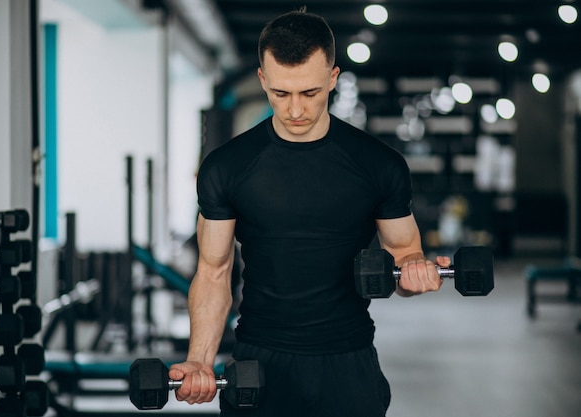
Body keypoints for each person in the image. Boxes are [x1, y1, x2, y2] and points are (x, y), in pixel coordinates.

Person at [169, 9, 451, 417]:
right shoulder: (227, 167)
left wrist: (417, 273)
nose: (296, 109)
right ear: (263, 78)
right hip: (259, 360)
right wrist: (199, 360)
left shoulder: (378, 165)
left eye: (311, 93)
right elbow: (213, 272)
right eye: (281, 93)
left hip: (348, 360)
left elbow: (404, 258)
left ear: (333, 79)